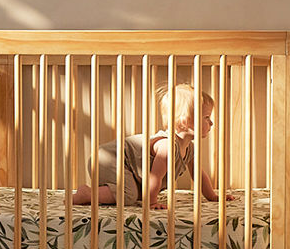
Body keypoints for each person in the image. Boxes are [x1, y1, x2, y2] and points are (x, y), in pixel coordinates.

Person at [71, 84, 234, 209]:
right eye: (206, 117)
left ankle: (103, 192)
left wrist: (212, 196)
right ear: (185, 121)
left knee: (133, 192)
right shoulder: (167, 145)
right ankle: (87, 194)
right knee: (129, 195)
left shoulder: (188, 148)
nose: (211, 123)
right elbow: (155, 177)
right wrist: (151, 202)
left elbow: (198, 175)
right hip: (109, 159)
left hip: (120, 164)